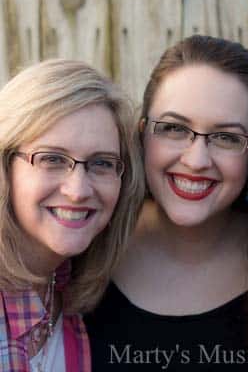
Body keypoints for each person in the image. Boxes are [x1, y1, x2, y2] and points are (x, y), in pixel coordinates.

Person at [85, 35, 248, 371]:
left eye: (227, 137)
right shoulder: (81, 248)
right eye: (174, 128)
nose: (197, 159)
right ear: (142, 134)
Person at [0, 59, 144, 371]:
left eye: (102, 163)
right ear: (6, 166)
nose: (77, 190)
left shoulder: (69, 290)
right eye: (52, 158)